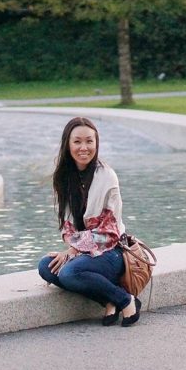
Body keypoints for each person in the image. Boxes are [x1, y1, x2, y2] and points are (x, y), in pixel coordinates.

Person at [37, 117, 141, 327]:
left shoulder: (107, 176)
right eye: (77, 142)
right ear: (68, 144)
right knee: (46, 267)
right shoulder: (64, 177)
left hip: (112, 252)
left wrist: (73, 252)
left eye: (89, 141)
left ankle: (126, 300)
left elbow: (108, 232)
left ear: (96, 143)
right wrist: (72, 250)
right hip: (85, 254)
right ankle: (109, 299)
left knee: (69, 272)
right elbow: (67, 228)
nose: (84, 147)